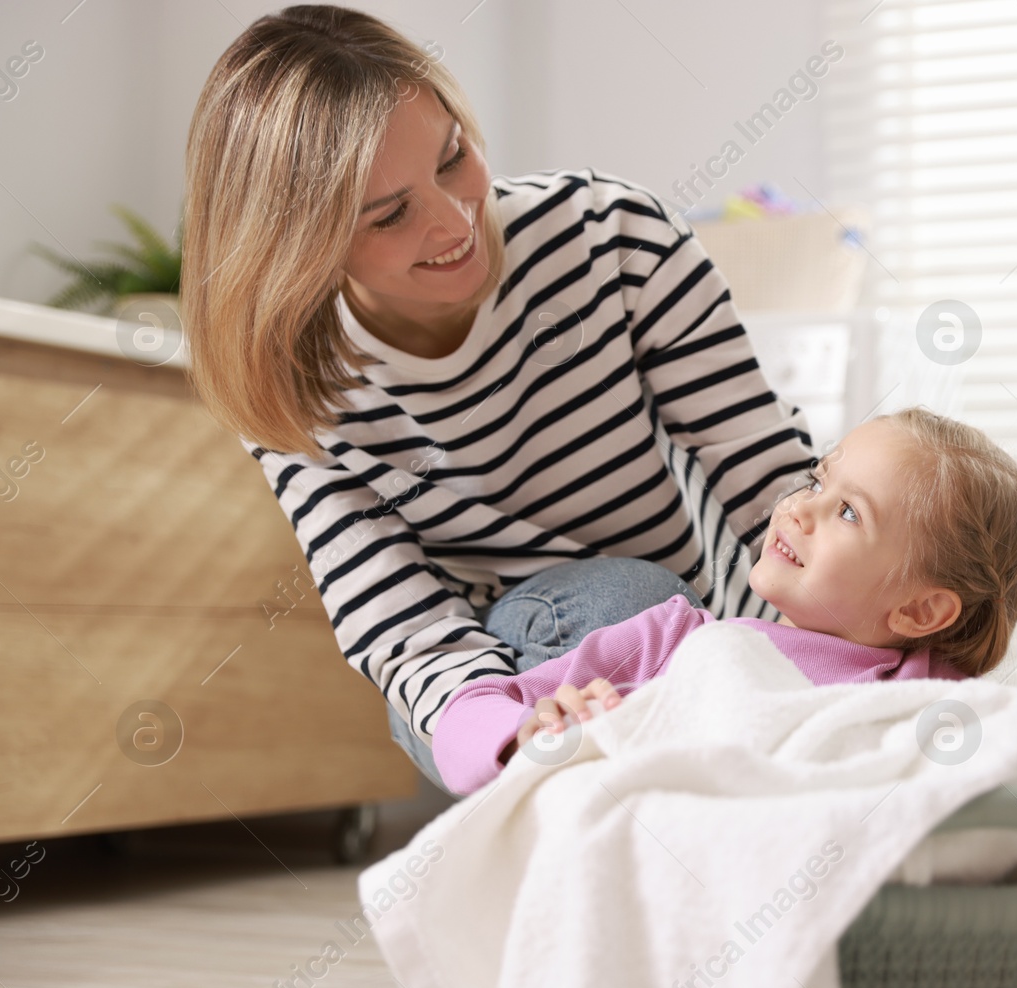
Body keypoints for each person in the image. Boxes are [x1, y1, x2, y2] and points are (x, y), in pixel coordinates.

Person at [181, 6, 815, 793]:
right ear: (302, 244)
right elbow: (407, 627)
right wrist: (508, 730)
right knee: (634, 604)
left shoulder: (614, 240)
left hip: (694, 622)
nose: (454, 220)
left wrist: (833, 660)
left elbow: (768, 482)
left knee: (668, 607)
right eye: (390, 214)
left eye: (453, 157)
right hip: (481, 675)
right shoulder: (299, 383)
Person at [432, 407, 1017, 795]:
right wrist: (522, 736)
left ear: (919, 612)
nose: (798, 508)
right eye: (817, 481)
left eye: (849, 512)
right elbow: (468, 709)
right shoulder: (674, 639)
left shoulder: (927, 695)